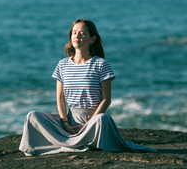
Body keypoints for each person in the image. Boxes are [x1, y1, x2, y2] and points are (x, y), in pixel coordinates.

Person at [19, 19, 156, 156]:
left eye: (82, 33)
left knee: (103, 119)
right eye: (74, 33)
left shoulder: (101, 65)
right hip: (69, 122)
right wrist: (65, 123)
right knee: (33, 116)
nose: (77, 36)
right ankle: (73, 141)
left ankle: (70, 142)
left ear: (92, 39)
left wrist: (88, 124)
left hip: (93, 122)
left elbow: (106, 99)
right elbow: (60, 99)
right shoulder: (62, 65)